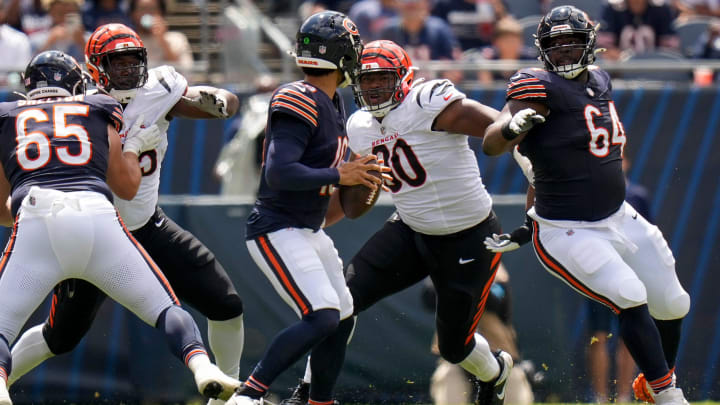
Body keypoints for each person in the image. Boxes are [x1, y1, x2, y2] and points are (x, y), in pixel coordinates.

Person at [7, 24, 245, 405]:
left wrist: (216, 97)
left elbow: (214, 103)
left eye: (134, 61)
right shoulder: (80, 102)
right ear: (95, 67)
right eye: (117, 63)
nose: (128, 71)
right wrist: (132, 145)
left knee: (226, 305)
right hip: (96, 230)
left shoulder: (158, 89)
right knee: (58, 338)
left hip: (145, 225)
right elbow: (123, 184)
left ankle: (229, 395)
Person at [279, 39, 512, 405]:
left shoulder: (427, 102)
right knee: (340, 302)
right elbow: (355, 205)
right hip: (411, 229)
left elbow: (498, 125)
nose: (372, 88)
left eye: (381, 79)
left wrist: (519, 135)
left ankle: (495, 372)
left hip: (468, 236)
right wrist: (317, 220)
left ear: (404, 78)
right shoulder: (359, 126)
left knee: (454, 346)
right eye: (365, 80)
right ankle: (309, 392)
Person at [482, 5, 691, 405]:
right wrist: (511, 127)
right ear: (542, 50)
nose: (562, 51)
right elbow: (494, 142)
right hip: (567, 228)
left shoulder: (599, 79)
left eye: (571, 42)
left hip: (618, 215)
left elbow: (539, 169)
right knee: (629, 294)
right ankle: (668, 395)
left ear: (590, 43)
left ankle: (655, 379)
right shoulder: (535, 86)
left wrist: (526, 219)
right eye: (554, 45)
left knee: (674, 301)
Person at [225, 11, 384, 405]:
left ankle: (316, 400)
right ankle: (249, 396)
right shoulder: (300, 96)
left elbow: (325, 194)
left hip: (306, 228)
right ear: (342, 54)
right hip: (276, 228)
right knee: (323, 315)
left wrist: (359, 185)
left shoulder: (331, 102)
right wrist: (341, 174)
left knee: (342, 315)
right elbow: (279, 173)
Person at [596, 0, 680, 61]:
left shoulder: (662, 8)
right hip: (620, 76)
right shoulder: (611, 7)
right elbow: (604, 49)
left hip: (656, 76)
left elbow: (670, 52)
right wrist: (622, 58)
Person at [129, 0, 193, 73]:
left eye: (152, 9)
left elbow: (185, 71)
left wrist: (162, 40)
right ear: (133, 14)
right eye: (142, 9)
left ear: (161, 12)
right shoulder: (129, 42)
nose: (147, 13)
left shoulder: (177, 39)